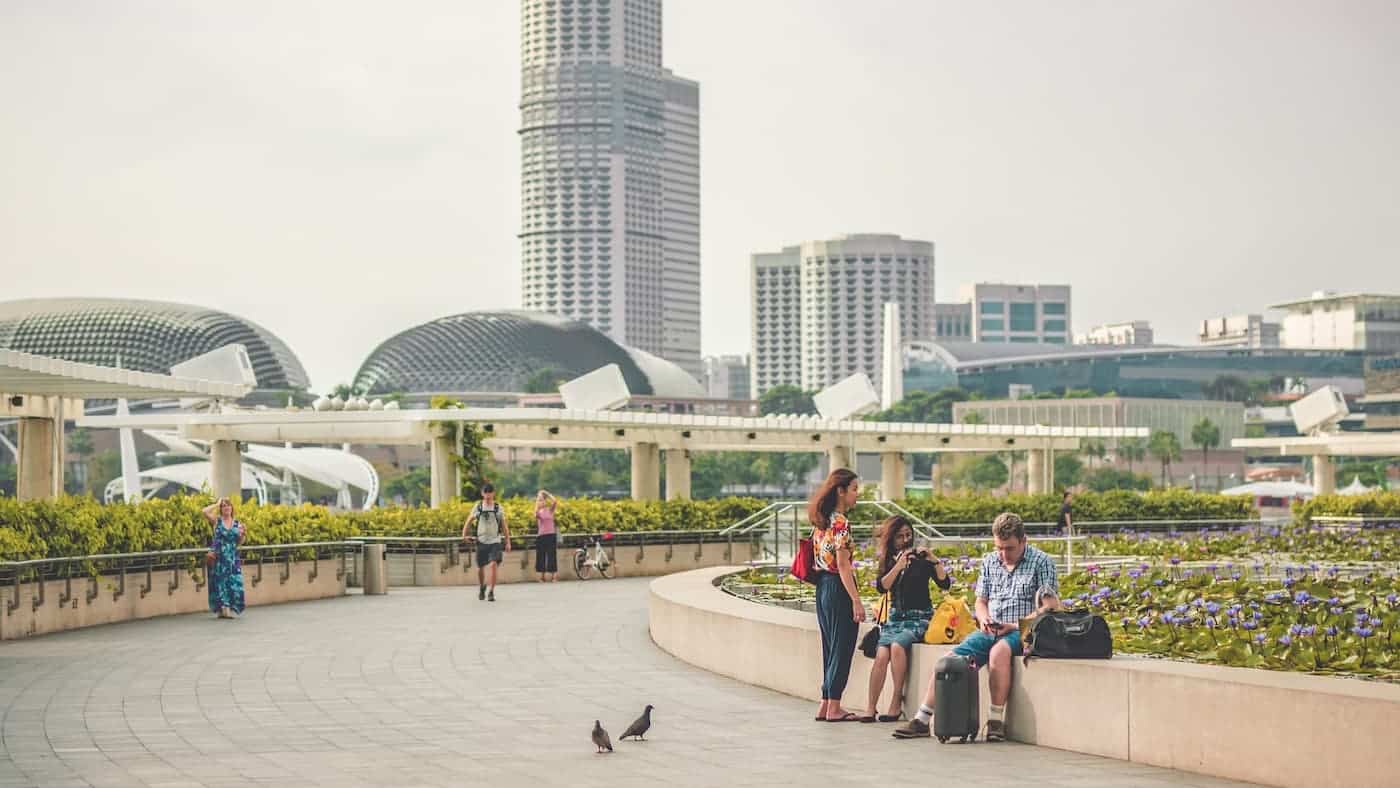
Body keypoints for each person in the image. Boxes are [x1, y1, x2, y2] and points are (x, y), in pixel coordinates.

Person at [893, 512, 1059, 742]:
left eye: (1009, 548)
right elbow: (981, 601)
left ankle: (995, 721)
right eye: (999, 548)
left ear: (1024, 541)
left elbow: (1049, 606)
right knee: (948, 661)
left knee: (999, 652)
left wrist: (1011, 626)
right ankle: (922, 719)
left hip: (1023, 629)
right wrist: (984, 619)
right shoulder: (991, 561)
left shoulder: (1042, 562)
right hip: (991, 626)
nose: (1003, 554)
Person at [861, 515, 951, 723]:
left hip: (919, 617)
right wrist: (899, 565)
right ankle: (870, 707)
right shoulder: (889, 560)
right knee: (881, 655)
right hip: (895, 617)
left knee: (898, 646)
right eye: (900, 536)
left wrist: (933, 559)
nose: (905, 540)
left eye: (908, 535)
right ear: (892, 539)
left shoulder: (921, 560)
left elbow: (944, 584)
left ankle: (896, 702)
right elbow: (882, 586)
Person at [807, 467, 866, 722]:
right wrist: (856, 600)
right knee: (842, 647)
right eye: (854, 490)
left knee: (829, 646)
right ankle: (834, 706)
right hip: (838, 587)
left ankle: (825, 702)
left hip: (822, 588)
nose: (857, 495)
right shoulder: (841, 522)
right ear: (841, 491)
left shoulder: (821, 521)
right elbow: (843, 565)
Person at [463, 483, 511, 601]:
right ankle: (482, 586)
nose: (488, 495)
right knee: (480, 568)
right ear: (482, 493)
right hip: (481, 540)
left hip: (495, 540)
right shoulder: (478, 507)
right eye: (486, 493)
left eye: (490, 493)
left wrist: (508, 541)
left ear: (493, 493)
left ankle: (491, 591)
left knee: (494, 564)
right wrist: (464, 535)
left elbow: (504, 526)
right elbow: (469, 521)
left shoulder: (498, 508)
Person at [201, 496, 246, 619]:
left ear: (232, 508)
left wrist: (243, 535)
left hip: (232, 558)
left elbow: (240, 542)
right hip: (218, 557)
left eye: (228, 505)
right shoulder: (217, 521)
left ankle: (227, 608)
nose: (226, 507)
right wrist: (217, 504)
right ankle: (223, 609)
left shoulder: (237, 524)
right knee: (219, 582)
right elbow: (204, 511)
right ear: (221, 509)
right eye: (223, 506)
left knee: (234, 582)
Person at [534, 489, 560, 583]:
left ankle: (554, 576)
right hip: (541, 536)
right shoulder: (538, 512)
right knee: (541, 556)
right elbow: (535, 514)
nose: (542, 502)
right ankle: (542, 577)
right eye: (540, 500)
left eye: (543, 500)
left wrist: (547, 494)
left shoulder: (550, 510)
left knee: (552, 555)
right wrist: (538, 500)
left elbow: (555, 501)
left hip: (551, 535)